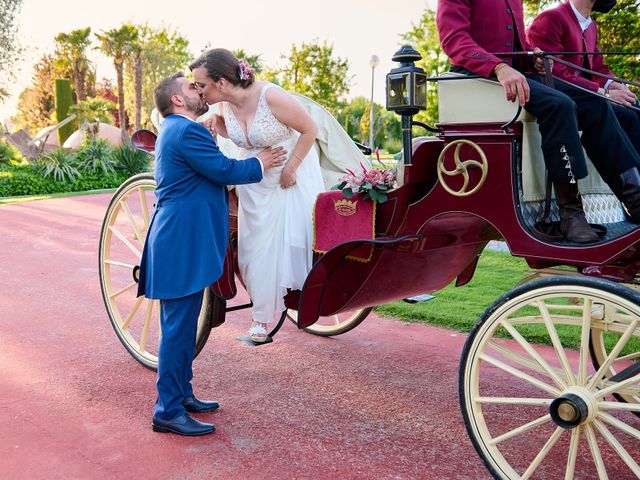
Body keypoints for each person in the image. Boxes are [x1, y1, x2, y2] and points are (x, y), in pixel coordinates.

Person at [137, 72, 286, 436]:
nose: (198, 90)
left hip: (182, 240)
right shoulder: (184, 130)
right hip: (180, 243)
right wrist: (261, 163)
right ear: (176, 100)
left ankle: (182, 394)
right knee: (177, 330)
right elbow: (222, 170)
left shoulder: (179, 130)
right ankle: (167, 410)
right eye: (191, 88)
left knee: (184, 328)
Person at [437, 0, 640, 243]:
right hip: (477, 75)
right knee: (560, 105)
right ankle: (571, 214)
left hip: (516, 74)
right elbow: (453, 40)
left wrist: (531, 56)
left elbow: (514, 45)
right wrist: (499, 67)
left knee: (595, 102)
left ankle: (635, 200)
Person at [190, 49, 325, 342]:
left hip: (288, 177)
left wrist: (292, 168)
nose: (199, 92)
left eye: (202, 85)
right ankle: (263, 311)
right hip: (254, 182)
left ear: (222, 82)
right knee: (252, 251)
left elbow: (309, 129)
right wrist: (220, 125)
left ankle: (262, 320)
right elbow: (243, 139)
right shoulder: (224, 106)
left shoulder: (271, 97)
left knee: (284, 245)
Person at [527, 0, 640, 156]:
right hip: (567, 100)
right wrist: (604, 93)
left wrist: (614, 84)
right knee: (627, 116)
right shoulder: (550, 18)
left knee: (635, 106)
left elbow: (599, 67)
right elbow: (554, 74)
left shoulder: (591, 26)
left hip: (586, 96)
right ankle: (629, 178)